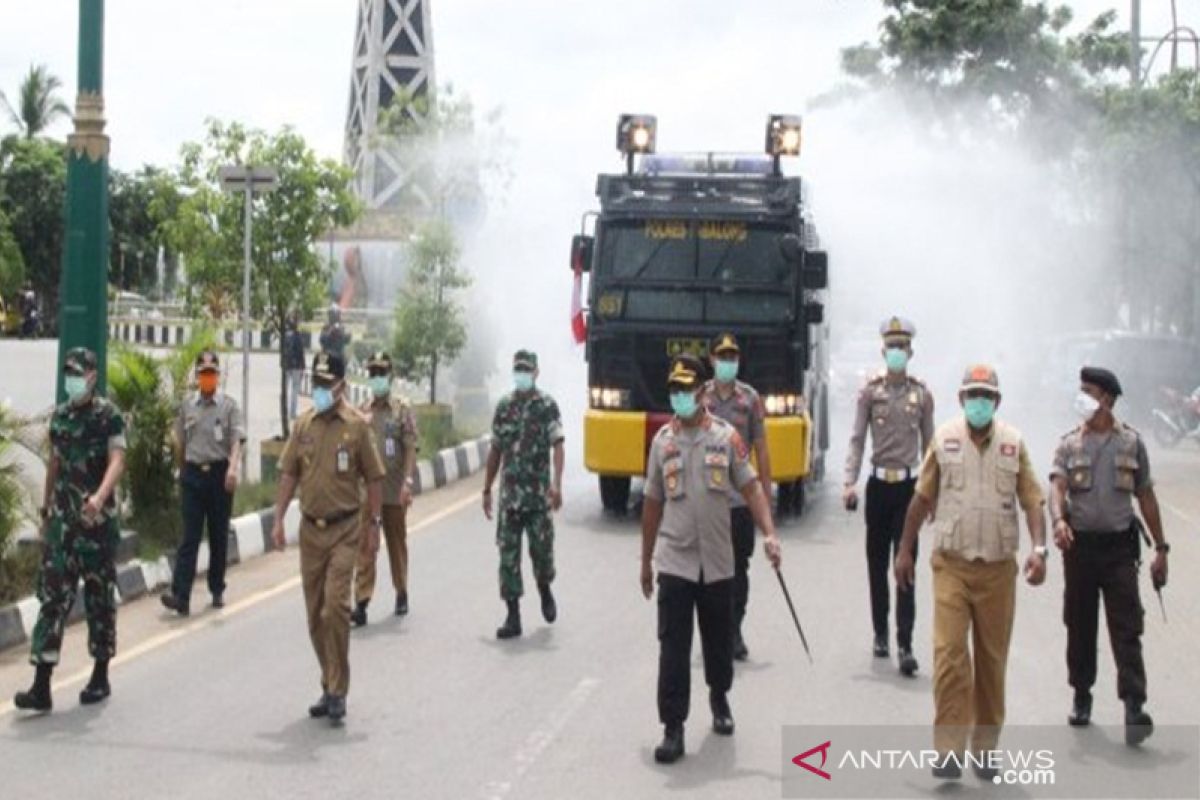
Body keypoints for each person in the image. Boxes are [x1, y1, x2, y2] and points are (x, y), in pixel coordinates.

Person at [895, 364, 1047, 781]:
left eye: (986, 395)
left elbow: (1033, 501)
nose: (979, 401)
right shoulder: (943, 441)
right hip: (952, 567)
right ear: (962, 399)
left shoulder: (1013, 445)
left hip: (998, 570)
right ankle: (947, 750)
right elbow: (921, 498)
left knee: (991, 662)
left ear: (996, 402)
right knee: (949, 657)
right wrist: (905, 550)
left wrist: (1039, 549)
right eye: (972, 394)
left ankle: (985, 748)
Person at [641, 354, 783, 765]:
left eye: (686, 391)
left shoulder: (725, 438)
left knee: (718, 643)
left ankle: (719, 698)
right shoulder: (662, 443)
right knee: (673, 646)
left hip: (719, 561)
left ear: (700, 394)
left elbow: (752, 487)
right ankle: (673, 728)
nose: (680, 398)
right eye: (674, 391)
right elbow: (652, 504)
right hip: (675, 561)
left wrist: (769, 533)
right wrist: (645, 562)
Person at [1049, 366, 1168, 745]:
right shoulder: (1070, 444)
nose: (1081, 397)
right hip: (1080, 548)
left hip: (1119, 550)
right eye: (1080, 389)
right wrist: (1058, 522)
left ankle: (1134, 705)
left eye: (1088, 391)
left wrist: (1161, 549)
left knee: (1127, 627)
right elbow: (1057, 487)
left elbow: (1145, 495)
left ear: (1107, 399)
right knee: (1080, 625)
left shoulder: (1131, 443)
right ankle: (1081, 695)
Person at [271, 351, 385, 726]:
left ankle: (338, 689)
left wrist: (374, 525)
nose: (320, 390)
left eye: (326, 384)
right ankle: (328, 681)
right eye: (316, 384)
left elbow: (374, 478)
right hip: (310, 532)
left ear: (340, 385)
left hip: (345, 529)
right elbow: (288, 474)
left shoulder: (356, 427)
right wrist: (278, 519)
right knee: (314, 617)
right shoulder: (303, 425)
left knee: (336, 607)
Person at [14, 348, 127, 712]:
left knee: (98, 598)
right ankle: (41, 684)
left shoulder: (108, 417)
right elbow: (55, 464)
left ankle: (99, 673)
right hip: (63, 526)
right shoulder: (60, 417)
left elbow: (117, 461)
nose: (73, 380)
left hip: (95, 525)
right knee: (52, 599)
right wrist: (46, 510)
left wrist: (99, 496)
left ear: (93, 376)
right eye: (69, 374)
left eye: (79, 374)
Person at [843, 316, 934, 674]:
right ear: (883, 351)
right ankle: (880, 632)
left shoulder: (921, 394)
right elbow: (857, 439)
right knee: (877, 564)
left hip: (910, 489)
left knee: (906, 562)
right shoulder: (870, 392)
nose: (896, 353)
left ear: (910, 351)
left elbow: (931, 447)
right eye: (891, 347)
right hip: (878, 487)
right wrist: (849, 482)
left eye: (902, 347)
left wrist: (933, 495)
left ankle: (905, 642)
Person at [481, 350, 565, 640]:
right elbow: (495, 449)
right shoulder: (504, 406)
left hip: (538, 496)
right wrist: (486, 488)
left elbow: (558, 446)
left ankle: (544, 589)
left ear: (536, 372)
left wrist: (556, 484)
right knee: (507, 557)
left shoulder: (547, 406)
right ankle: (513, 616)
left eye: (526, 369)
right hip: (510, 498)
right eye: (518, 369)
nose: (522, 374)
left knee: (541, 554)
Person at [699, 332, 771, 662]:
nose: (728, 362)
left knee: (739, 569)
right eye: (722, 356)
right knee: (711, 570)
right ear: (712, 359)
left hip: (741, 501)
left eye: (733, 356)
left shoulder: (750, 399)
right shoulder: (700, 399)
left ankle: (735, 629)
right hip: (709, 502)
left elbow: (761, 448)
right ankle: (716, 630)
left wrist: (765, 497)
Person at [161, 350, 244, 616]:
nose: (207, 378)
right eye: (203, 374)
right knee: (190, 537)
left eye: (211, 374)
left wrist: (232, 469)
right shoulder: (187, 406)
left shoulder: (228, 406)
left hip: (219, 475)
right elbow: (180, 443)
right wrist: (182, 473)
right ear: (197, 376)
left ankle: (217, 587)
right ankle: (181, 595)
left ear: (217, 376)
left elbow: (236, 442)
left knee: (218, 534)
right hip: (194, 476)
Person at [350, 351, 419, 626]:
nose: (377, 378)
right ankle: (362, 601)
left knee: (396, 543)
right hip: (368, 492)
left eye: (382, 373)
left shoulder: (402, 409)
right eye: (373, 373)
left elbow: (411, 447)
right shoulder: (363, 409)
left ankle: (401, 590)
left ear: (390, 375)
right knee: (365, 546)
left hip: (393, 490)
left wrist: (408, 482)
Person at [284, 312, 307, 421]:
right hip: (296, 366)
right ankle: (292, 413)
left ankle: (284, 410)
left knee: (285, 389)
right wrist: (303, 366)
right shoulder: (297, 336)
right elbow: (300, 352)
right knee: (294, 389)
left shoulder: (285, 335)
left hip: (287, 365)